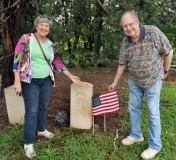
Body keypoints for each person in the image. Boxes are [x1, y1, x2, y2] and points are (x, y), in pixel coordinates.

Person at [13, 15, 81, 159]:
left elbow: (56, 62)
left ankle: (41, 129)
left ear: (49, 29)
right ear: (36, 25)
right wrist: (17, 81)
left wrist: (70, 75)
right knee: (31, 111)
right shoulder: (26, 39)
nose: (44, 28)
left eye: (47, 26)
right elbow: (17, 60)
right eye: (42, 25)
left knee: (43, 107)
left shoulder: (50, 44)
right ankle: (28, 143)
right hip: (30, 81)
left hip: (46, 80)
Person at [109, 11, 173, 159]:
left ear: (138, 22)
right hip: (134, 81)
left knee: (153, 112)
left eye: (130, 24)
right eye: (125, 26)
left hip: (153, 81)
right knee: (133, 108)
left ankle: (155, 145)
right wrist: (115, 82)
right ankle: (136, 135)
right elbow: (122, 63)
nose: (128, 28)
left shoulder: (153, 32)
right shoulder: (126, 41)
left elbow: (169, 52)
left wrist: (165, 71)